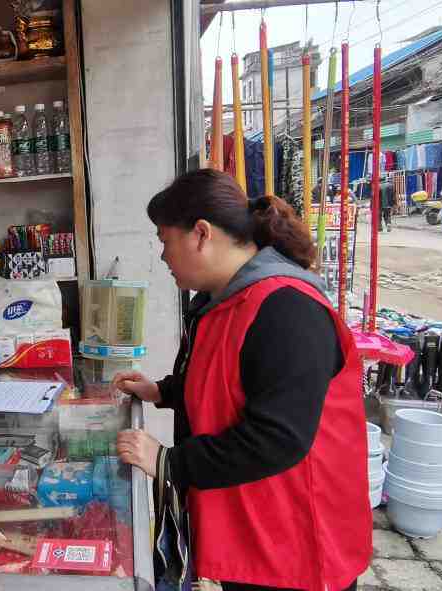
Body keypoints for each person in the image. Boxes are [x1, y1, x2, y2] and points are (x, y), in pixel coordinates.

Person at [114, 169, 371, 591]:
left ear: (201, 234)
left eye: (164, 240)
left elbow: (277, 438)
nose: (162, 256)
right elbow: (226, 377)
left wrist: (168, 462)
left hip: (295, 543)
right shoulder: (222, 301)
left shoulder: (286, 309)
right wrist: (163, 390)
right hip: (252, 531)